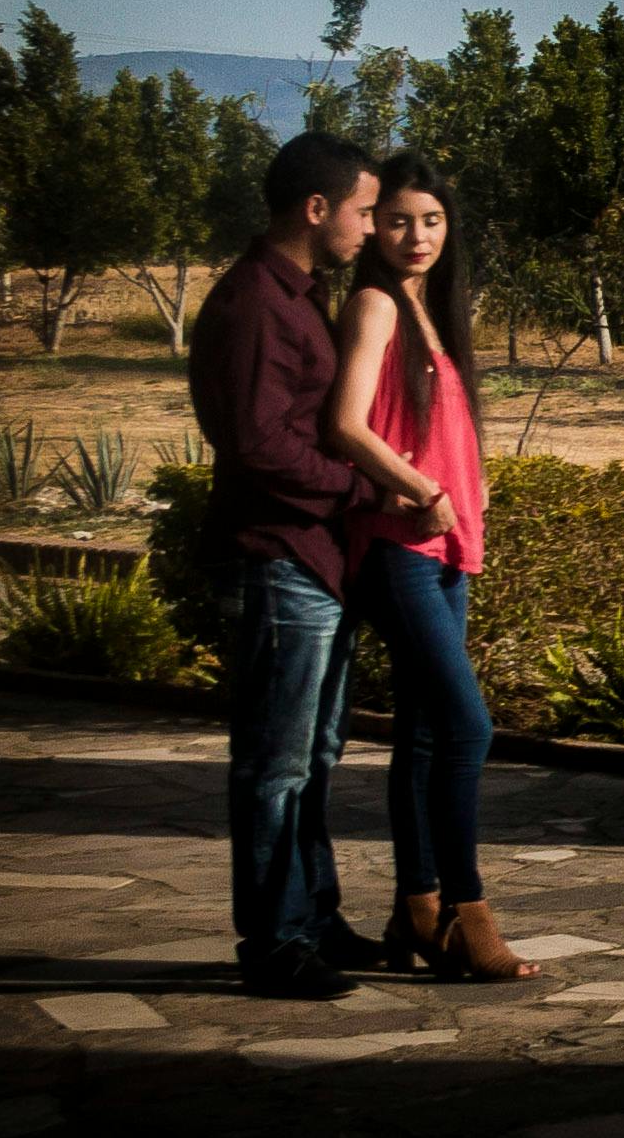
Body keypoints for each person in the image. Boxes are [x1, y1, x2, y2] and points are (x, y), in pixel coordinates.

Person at [326, 149, 537, 981]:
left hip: (443, 547)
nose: (417, 235)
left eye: (433, 220)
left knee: (420, 732)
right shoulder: (374, 305)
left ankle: (415, 910)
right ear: (374, 225)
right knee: (466, 726)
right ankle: (464, 911)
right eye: (400, 219)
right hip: (398, 542)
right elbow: (345, 423)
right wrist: (421, 487)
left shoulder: (429, 309)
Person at [189, 130, 383, 999]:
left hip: (310, 560)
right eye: (363, 209)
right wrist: (353, 486)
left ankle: (312, 918)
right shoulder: (257, 304)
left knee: (314, 754)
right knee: (275, 763)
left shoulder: (295, 295)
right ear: (316, 208)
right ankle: (272, 942)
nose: (370, 227)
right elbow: (257, 442)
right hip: (277, 559)